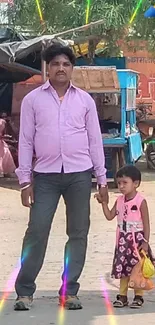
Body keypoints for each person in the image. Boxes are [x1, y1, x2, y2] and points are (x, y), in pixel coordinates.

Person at [14, 44, 108, 311]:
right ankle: (25, 291)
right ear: (47, 68)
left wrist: (101, 180)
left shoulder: (84, 100)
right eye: (55, 64)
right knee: (37, 231)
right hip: (45, 177)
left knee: (78, 233)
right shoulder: (33, 100)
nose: (60, 68)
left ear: (72, 68)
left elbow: (94, 141)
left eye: (66, 64)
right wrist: (24, 181)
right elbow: (26, 141)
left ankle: (70, 291)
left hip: (79, 175)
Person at [95, 165, 154, 309]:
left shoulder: (141, 201)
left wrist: (145, 242)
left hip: (137, 241)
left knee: (137, 269)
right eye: (119, 183)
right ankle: (122, 296)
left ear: (136, 183)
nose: (121, 186)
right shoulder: (119, 201)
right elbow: (109, 216)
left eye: (125, 183)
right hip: (122, 241)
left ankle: (138, 296)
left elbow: (146, 224)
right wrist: (103, 203)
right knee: (123, 269)